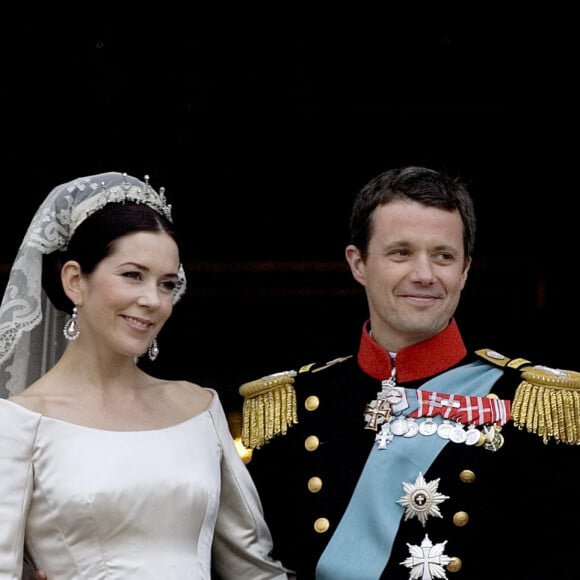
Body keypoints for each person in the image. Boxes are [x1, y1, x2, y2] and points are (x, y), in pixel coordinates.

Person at [238, 165, 580, 579]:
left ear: (465, 270)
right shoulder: (292, 405)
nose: (424, 274)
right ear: (358, 263)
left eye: (443, 256)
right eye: (400, 252)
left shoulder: (533, 406)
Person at [0, 172, 291, 579]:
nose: (152, 300)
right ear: (74, 281)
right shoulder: (17, 424)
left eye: (167, 284)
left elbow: (255, 570)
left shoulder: (199, 408)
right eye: (132, 275)